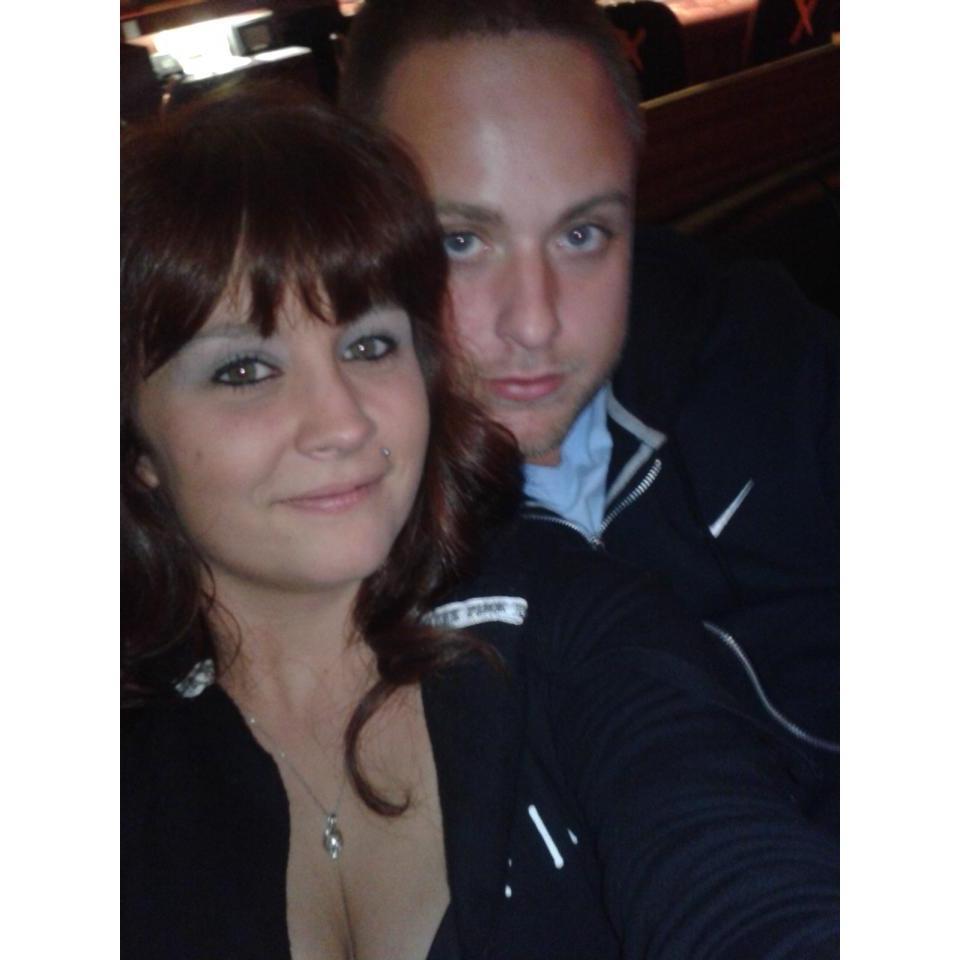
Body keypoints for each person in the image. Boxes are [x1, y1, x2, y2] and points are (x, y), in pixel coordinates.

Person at [122, 87, 838, 958]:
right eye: (244, 370)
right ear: (137, 442)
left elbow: (729, 868)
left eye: (369, 345)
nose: (342, 422)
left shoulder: (568, 623)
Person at [340, 0, 839, 798]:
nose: (534, 322)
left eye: (582, 235)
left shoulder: (774, 358)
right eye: (459, 242)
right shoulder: (321, 526)